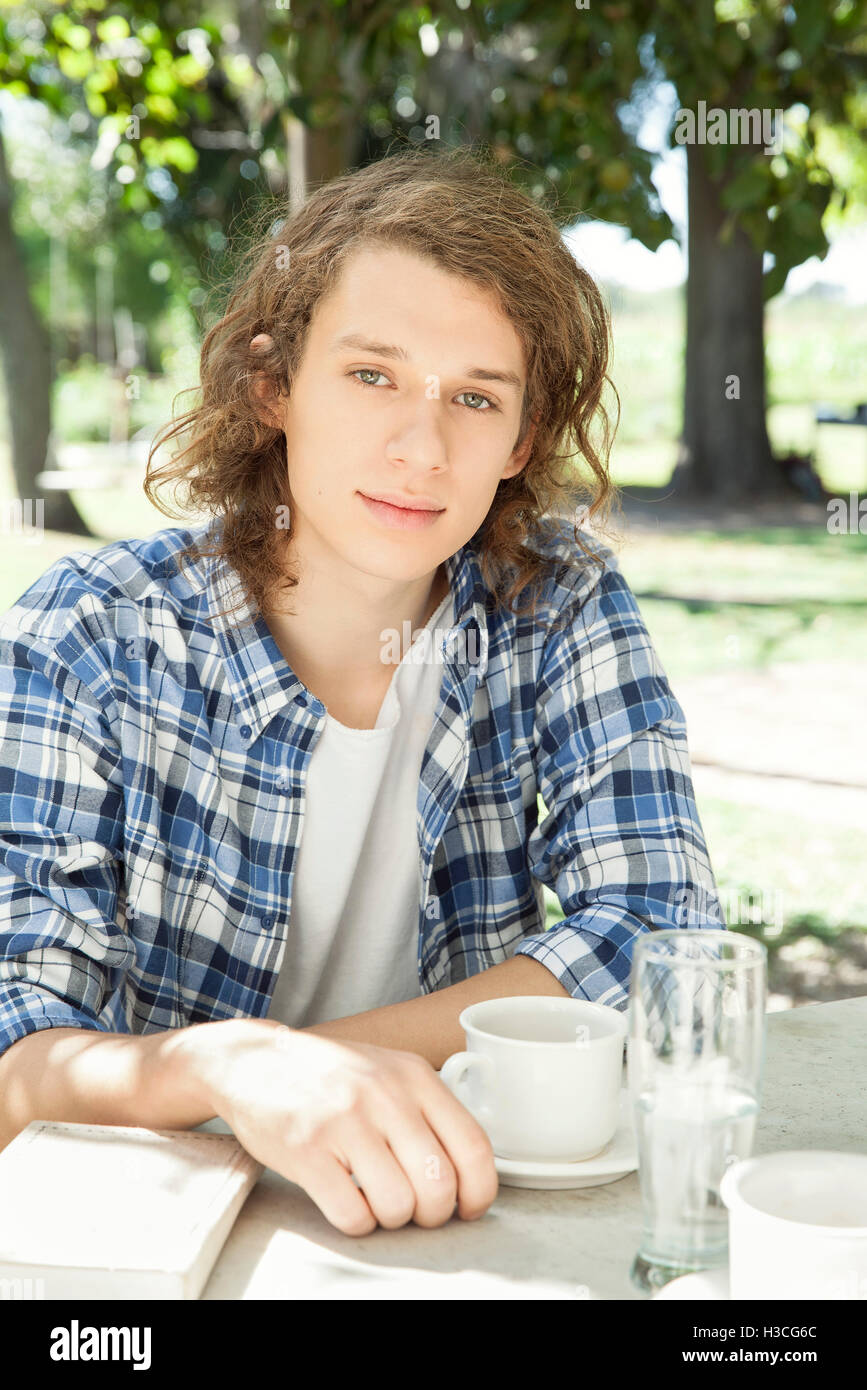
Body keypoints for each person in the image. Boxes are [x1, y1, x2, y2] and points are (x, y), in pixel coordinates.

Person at [0, 145, 724, 1238]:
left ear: (521, 438)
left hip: (452, 1217)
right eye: (372, 373)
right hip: (166, 1240)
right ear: (273, 384)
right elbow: (18, 1061)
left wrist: (312, 1070)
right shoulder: (89, 635)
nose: (420, 447)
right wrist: (231, 1067)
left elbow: (663, 936)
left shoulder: (558, 607)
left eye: (475, 397)